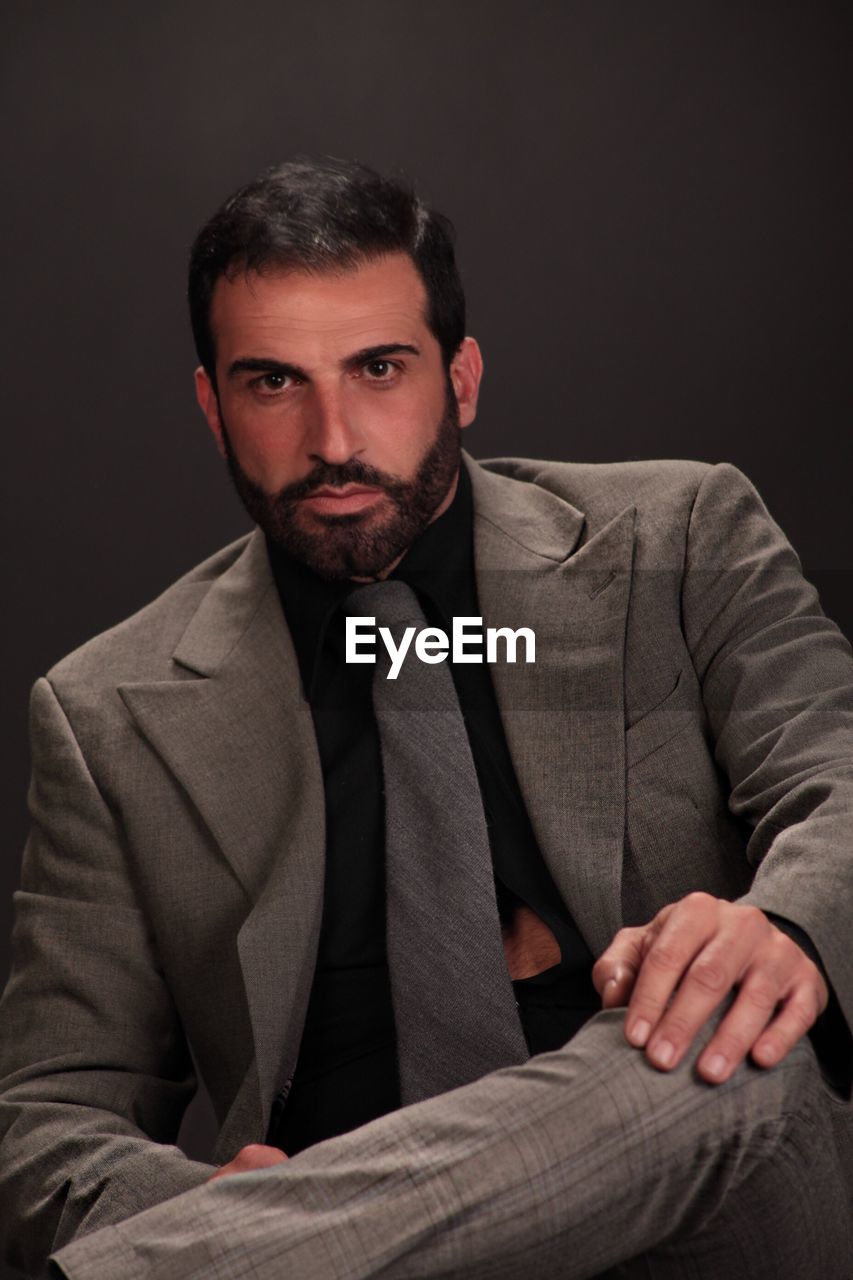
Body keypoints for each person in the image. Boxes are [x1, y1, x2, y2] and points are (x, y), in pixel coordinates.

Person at [0, 158, 851, 1280]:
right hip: (359, 1252)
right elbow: (47, 1114)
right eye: (272, 382)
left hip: (702, 1210)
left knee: (726, 1036)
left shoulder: (681, 536)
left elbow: (840, 778)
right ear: (212, 404)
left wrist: (783, 926)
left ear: (462, 379)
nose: (334, 436)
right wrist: (205, 1199)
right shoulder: (107, 711)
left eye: (379, 368)